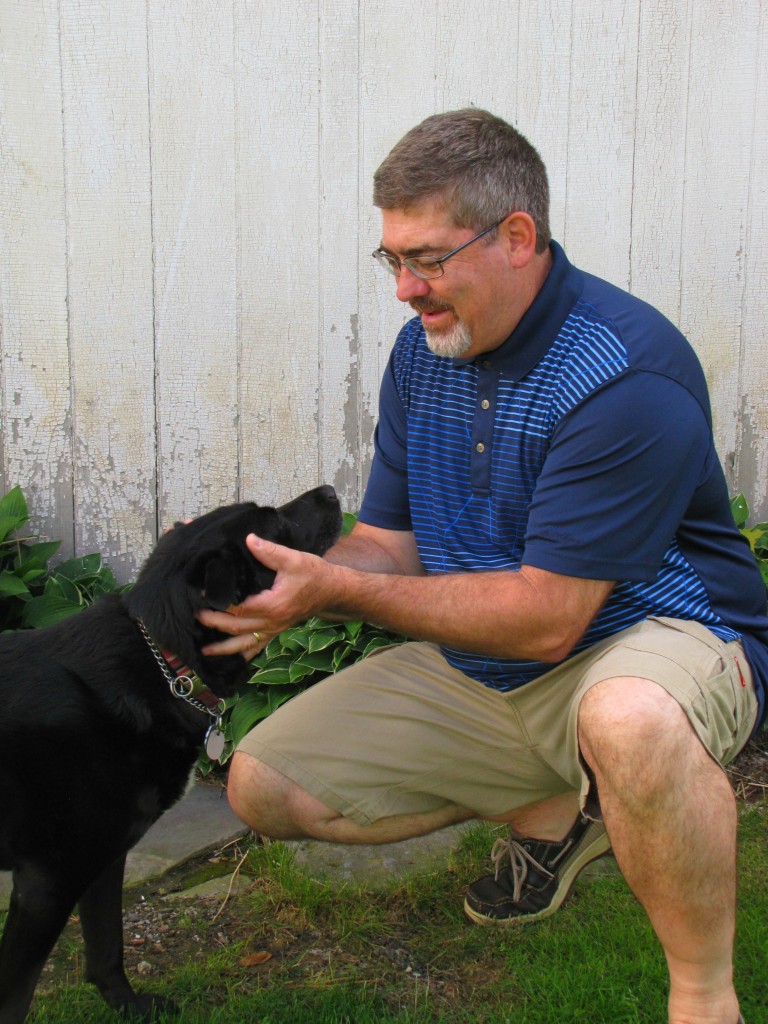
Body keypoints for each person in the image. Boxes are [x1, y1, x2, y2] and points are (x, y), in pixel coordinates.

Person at [200, 109, 767, 1024]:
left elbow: (549, 619)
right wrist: (283, 572)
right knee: (265, 785)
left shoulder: (624, 374)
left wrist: (341, 591)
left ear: (516, 238)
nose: (405, 290)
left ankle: (705, 997)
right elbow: (390, 543)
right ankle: (556, 810)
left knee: (627, 719)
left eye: (427, 258)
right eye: (393, 260)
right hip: (493, 665)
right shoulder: (426, 354)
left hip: (654, 641)